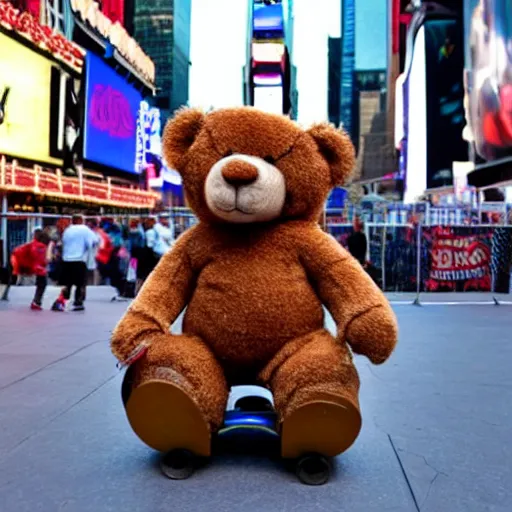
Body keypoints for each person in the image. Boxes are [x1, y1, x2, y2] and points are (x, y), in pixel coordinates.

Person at [51, 214, 96, 312]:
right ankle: (78, 302)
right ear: (80, 220)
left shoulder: (67, 230)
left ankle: (62, 300)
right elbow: (92, 242)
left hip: (67, 260)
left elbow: (63, 243)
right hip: (79, 259)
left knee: (68, 282)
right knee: (80, 283)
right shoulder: (85, 229)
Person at [11, 228, 51, 310]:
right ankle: (36, 302)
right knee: (42, 284)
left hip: (27, 265)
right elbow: (44, 260)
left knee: (41, 284)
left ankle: (36, 302)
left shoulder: (32, 244)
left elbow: (17, 252)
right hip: (38, 268)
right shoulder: (41, 246)